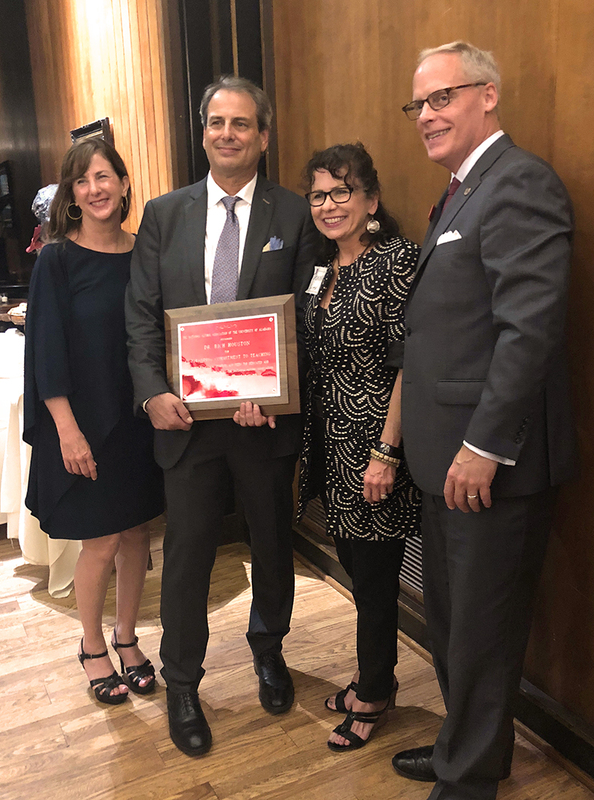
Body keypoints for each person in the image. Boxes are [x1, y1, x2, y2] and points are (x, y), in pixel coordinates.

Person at [391, 42, 576, 800]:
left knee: (482, 632)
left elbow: (528, 330)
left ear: (489, 96)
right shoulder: (465, 189)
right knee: (453, 624)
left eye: (442, 99)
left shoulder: (519, 182)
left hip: (488, 465)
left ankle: (469, 782)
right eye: (418, 106)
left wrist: (482, 446)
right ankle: (464, 746)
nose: (427, 117)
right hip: (445, 462)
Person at [125, 76, 319, 756]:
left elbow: (306, 321)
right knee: (187, 558)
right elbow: (142, 317)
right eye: (217, 122)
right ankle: (183, 679)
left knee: (271, 544)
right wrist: (152, 393)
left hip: (263, 425)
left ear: (263, 136)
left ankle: (269, 648)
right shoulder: (164, 214)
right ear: (202, 132)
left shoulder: (295, 216)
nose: (228, 133)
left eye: (242, 123)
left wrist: (272, 392)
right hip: (185, 423)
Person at [24, 138, 164, 705]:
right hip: (86, 425)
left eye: (104, 176)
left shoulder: (145, 253)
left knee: (136, 536)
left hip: (139, 420)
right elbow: (45, 351)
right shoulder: (57, 259)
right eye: (82, 181)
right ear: (70, 194)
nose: (95, 189)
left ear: (125, 184)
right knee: (101, 543)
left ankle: (127, 638)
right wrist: (67, 429)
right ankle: (90, 646)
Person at [297, 143, 422, 751]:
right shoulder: (323, 268)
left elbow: (410, 364)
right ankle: (370, 674)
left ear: (371, 199)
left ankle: (375, 691)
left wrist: (387, 451)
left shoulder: (396, 261)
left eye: (342, 192)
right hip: (331, 452)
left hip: (376, 452)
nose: (329, 205)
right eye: (319, 194)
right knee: (355, 570)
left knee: (374, 583)